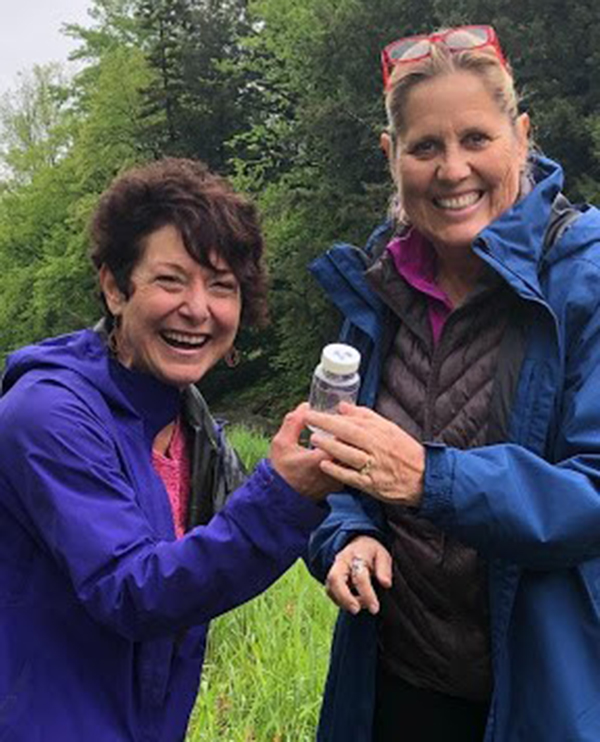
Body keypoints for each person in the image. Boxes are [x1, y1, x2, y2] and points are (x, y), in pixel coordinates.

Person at [304, 25, 600, 742]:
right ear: (391, 157)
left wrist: (429, 481)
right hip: (395, 689)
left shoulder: (584, 281)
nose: (453, 169)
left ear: (521, 136)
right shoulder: (377, 291)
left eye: (476, 138)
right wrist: (350, 534)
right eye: (426, 147)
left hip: (547, 696)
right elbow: (338, 467)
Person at [0, 157, 333, 741]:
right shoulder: (47, 414)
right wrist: (283, 494)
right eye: (171, 280)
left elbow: (231, 537)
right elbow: (132, 589)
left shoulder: (186, 416)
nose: (198, 308)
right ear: (114, 287)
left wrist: (352, 535)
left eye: (222, 286)